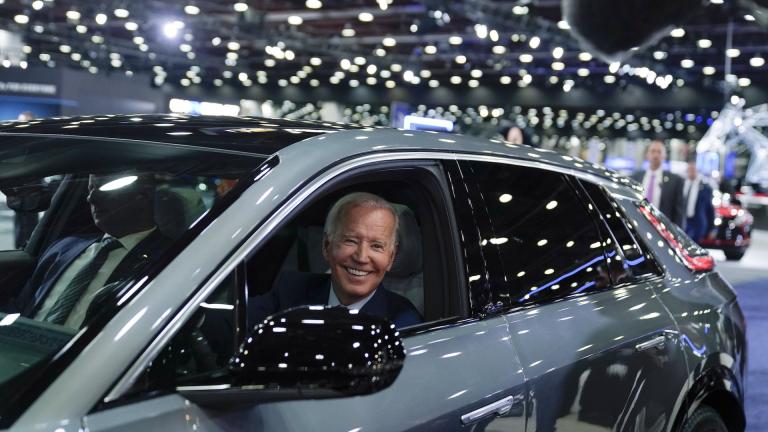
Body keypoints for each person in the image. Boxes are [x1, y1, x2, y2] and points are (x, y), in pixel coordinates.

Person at [7, 173, 172, 329]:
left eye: (105, 188)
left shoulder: (170, 260)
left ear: (144, 194)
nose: (91, 198)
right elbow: (21, 307)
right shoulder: (64, 248)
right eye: (90, 188)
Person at [250, 192, 422, 328]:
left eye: (376, 246)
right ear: (326, 246)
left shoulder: (403, 323)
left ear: (391, 258)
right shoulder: (291, 291)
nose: (361, 257)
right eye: (350, 241)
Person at [631, 140, 685, 226]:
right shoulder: (635, 177)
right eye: (653, 151)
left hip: (662, 230)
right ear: (647, 155)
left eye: (659, 152)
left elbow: (679, 213)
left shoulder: (675, 181)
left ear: (664, 156)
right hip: (637, 225)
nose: (656, 155)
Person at [683, 161, 715, 243]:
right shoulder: (682, 184)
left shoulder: (705, 187)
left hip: (698, 223)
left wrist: (712, 228)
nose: (692, 172)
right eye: (690, 169)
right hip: (684, 221)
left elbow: (710, 209)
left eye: (693, 169)